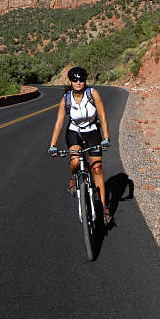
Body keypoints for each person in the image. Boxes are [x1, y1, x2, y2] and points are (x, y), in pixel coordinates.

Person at [48, 66, 111, 224]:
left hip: (92, 131)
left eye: (81, 79)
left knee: (96, 168)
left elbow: (102, 115)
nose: (78, 82)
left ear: (85, 81)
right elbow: (59, 122)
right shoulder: (66, 99)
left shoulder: (92, 94)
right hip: (74, 132)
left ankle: (103, 207)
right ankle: (73, 177)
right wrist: (53, 144)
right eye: (75, 80)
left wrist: (106, 137)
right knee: (75, 161)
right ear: (70, 81)